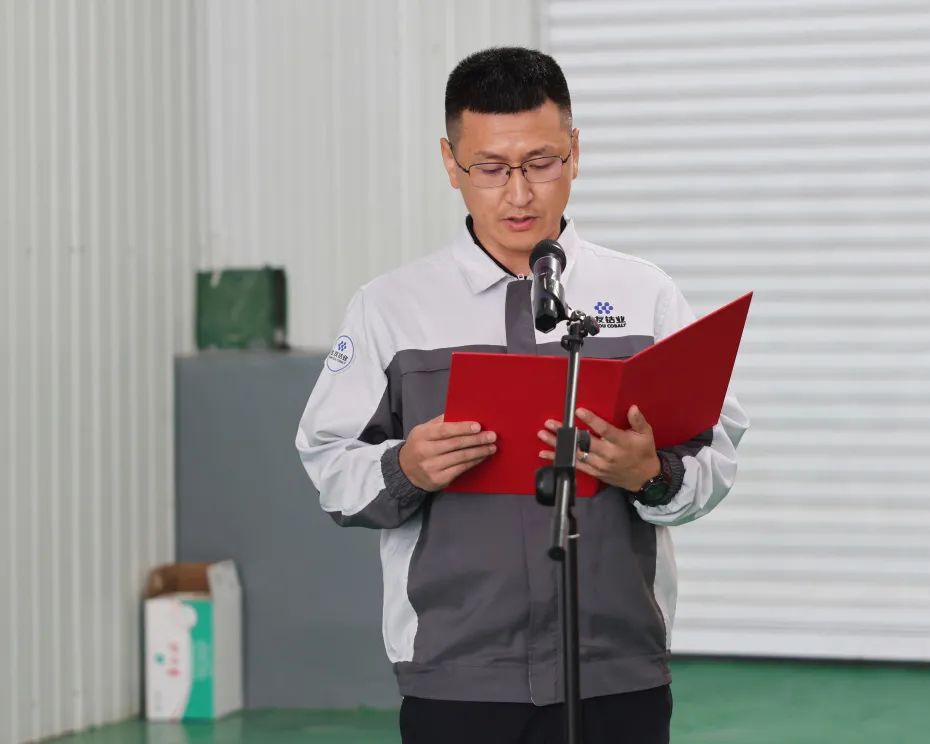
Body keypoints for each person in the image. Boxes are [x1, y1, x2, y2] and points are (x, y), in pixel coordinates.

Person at [296, 46, 748, 744]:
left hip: (616, 668)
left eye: (540, 163)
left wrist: (651, 474)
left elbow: (714, 454)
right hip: (458, 672)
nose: (519, 194)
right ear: (450, 163)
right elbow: (329, 466)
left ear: (575, 152)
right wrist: (405, 468)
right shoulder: (391, 308)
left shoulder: (645, 295)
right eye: (490, 168)